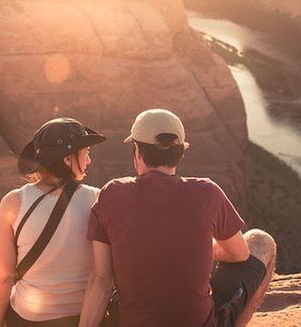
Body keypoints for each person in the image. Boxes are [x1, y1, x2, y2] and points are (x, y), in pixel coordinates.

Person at [79, 109, 276, 327]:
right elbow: (240, 254)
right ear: (181, 153)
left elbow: (102, 278)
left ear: (136, 151)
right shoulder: (207, 192)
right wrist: (200, 247)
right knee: (261, 240)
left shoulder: (111, 193)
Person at [0, 118, 107, 327]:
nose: (89, 160)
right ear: (68, 159)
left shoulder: (13, 202)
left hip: (28, 319)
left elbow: (3, 275)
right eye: (85, 152)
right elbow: (102, 275)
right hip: (81, 317)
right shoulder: (97, 200)